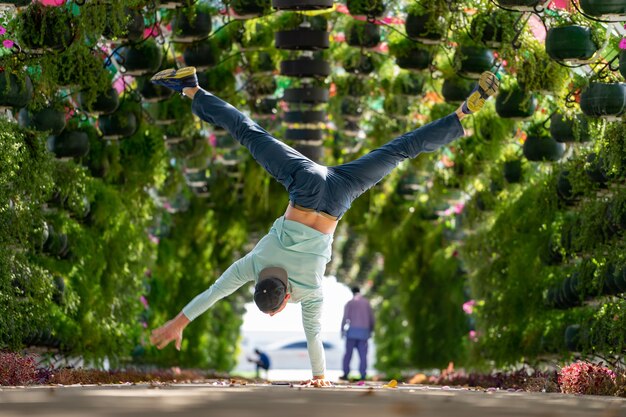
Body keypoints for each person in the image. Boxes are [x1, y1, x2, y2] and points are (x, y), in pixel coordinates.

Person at [148, 66, 499, 388]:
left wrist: (319, 376)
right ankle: (192, 89)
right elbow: (214, 292)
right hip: (307, 184)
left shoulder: (309, 290)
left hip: (338, 198)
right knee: (247, 131)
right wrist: (178, 322)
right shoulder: (251, 266)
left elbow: (312, 334)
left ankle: (460, 115)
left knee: (401, 149)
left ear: (286, 297)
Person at [340, 286, 374, 381]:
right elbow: (372, 318)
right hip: (364, 332)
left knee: (348, 354)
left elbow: (345, 318)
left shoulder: (350, 303)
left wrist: (342, 331)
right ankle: (363, 375)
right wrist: (371, 330)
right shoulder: (366, 303)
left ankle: (346, 374)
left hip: (352, 332)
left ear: (352, 292)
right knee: (363, 355)